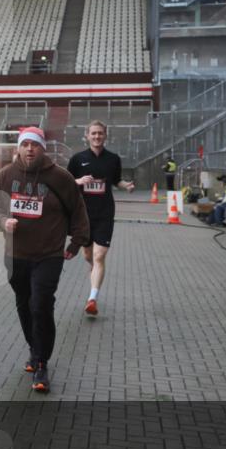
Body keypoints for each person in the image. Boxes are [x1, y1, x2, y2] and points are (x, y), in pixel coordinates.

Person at [0, 126, 90, 393]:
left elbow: (78, 211)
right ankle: (35, 350)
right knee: (24, 304)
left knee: (41, 305)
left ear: (43, 148)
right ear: (18, 148)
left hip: (49, 254)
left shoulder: (60, 177)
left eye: (35, 144)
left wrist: (77, 242)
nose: (30, 149)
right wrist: (2, 221)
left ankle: (42, 362)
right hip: (15, 255)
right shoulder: (4, 176)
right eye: (25, 144)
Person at [67, 120, 135, 317]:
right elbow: (65, 182)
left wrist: (126, 186)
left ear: (105, 136)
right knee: (89, 256)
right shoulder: (78, 159)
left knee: (99, 256)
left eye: (100, 133)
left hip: (105, 213)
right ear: (87, 136)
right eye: (93, 133)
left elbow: (116, 180)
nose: (97, 137)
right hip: (83, 215)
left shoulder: (113, 159)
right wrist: (78, 181)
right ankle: (96, 271)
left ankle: (92, 299)